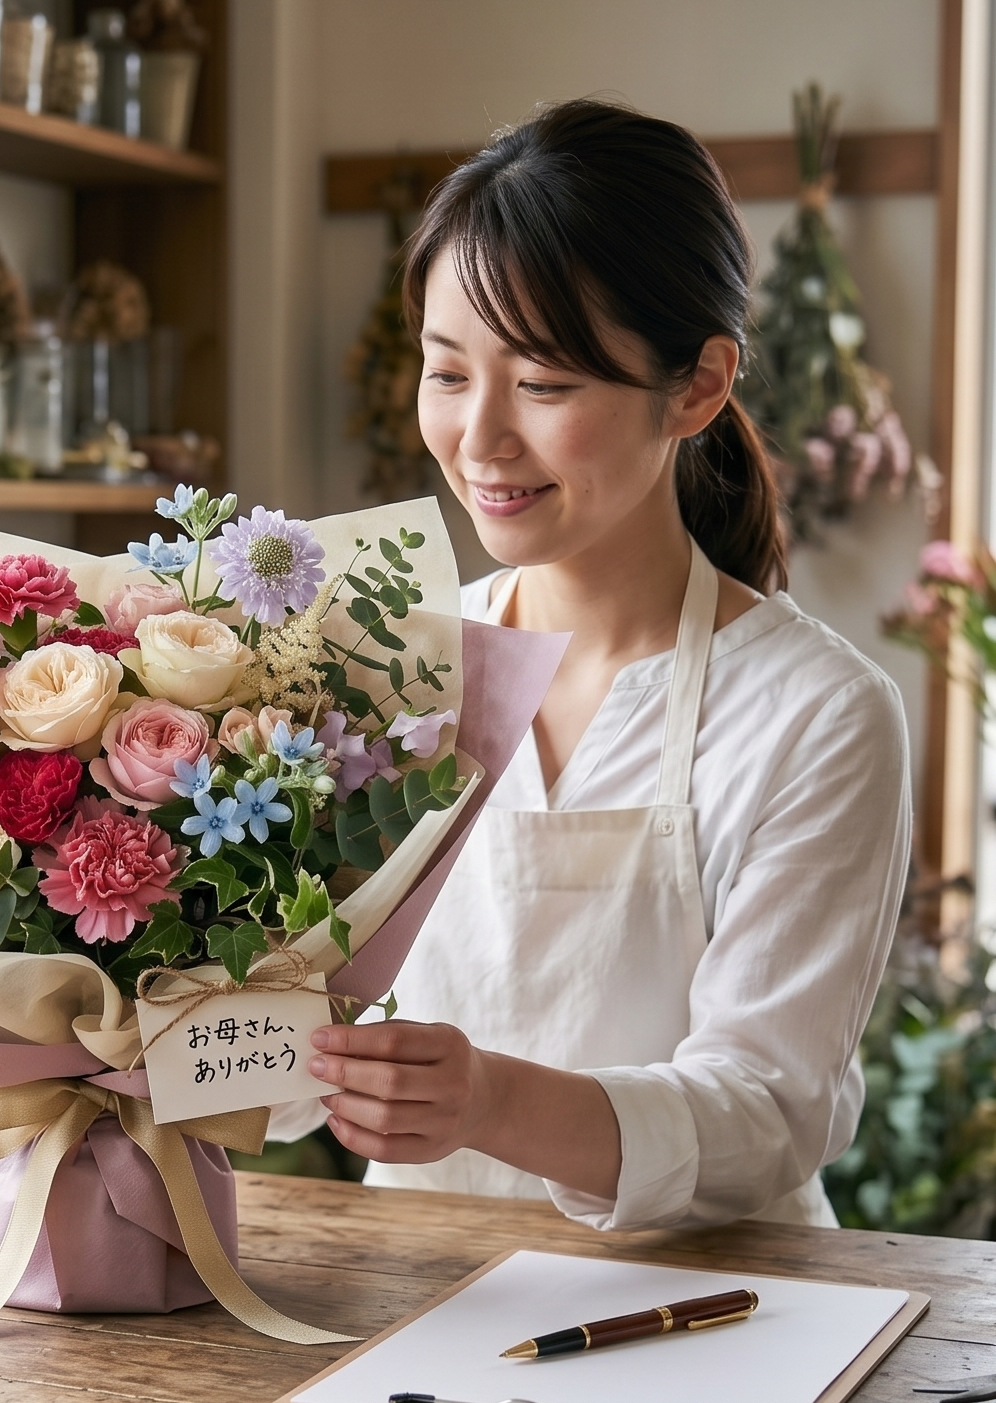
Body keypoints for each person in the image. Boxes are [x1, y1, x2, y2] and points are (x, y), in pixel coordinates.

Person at [295, 98, 911, 1230]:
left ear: (697, 386)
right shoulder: (387, 660)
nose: (480, 438)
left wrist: (484, 1098)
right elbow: (290, 1026)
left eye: (543, 384)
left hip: (714, 1316)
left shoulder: (817, 713)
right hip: (418, 1300)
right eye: (447, 373)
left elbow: (770, 1107)